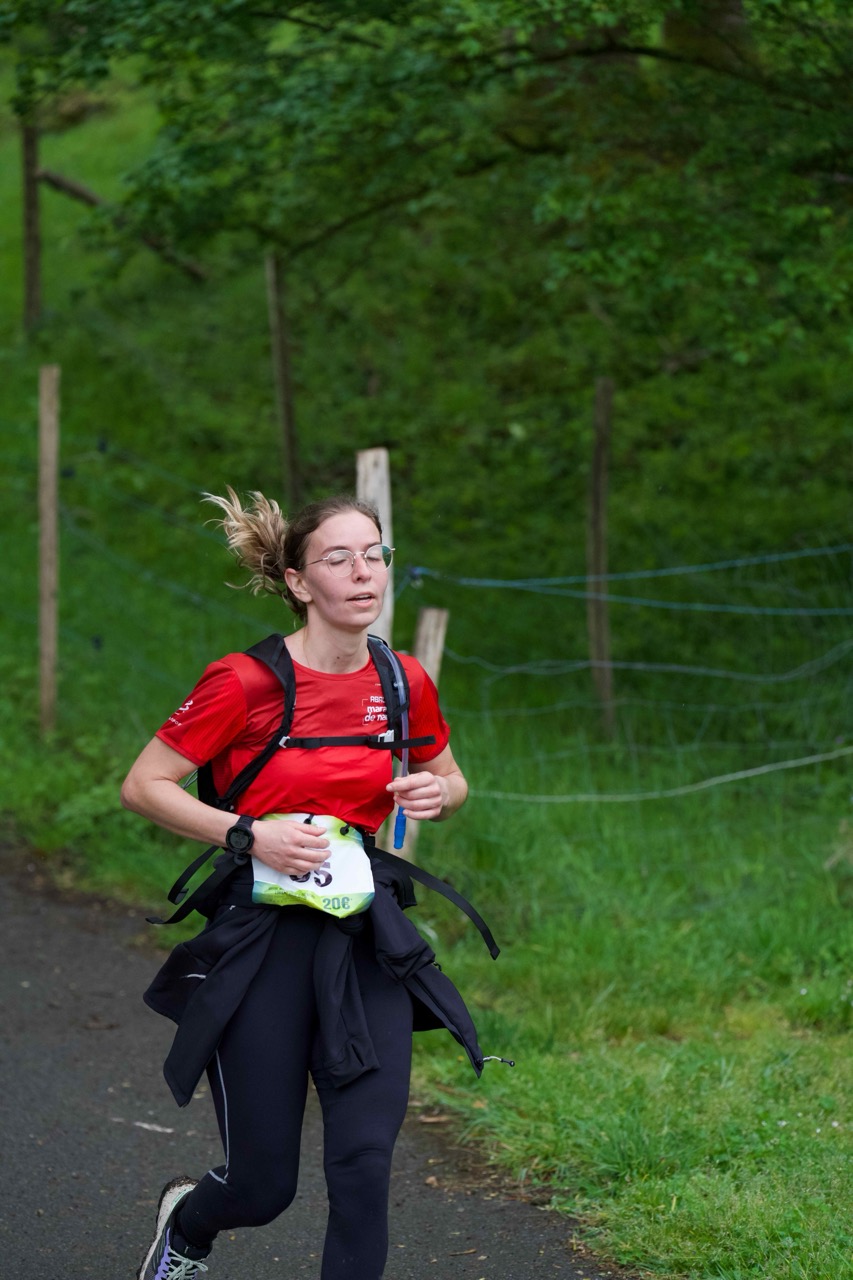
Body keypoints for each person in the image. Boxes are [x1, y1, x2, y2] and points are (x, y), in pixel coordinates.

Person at [122, 489, 472, 1280]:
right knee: (261, 1186)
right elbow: (143, 785)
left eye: (374, 555)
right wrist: (249, 833)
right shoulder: (245, 682)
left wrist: (436, 794)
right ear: (298, 581)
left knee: (363, 1163)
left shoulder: (403, 679)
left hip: (364, 934)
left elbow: (450, 781)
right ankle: (187, 1226)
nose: (363, 572)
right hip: (261, 938)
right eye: (337, 558)